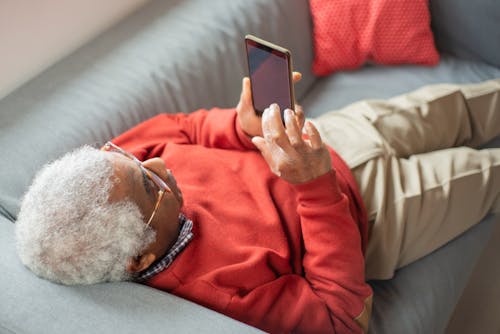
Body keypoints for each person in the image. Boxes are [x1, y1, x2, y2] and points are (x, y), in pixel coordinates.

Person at [15, 73, 500, 334]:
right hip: (379, 211)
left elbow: (183, 127)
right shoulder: (217, 296)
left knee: (462, 104)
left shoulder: (114, 171)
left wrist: (240, 126)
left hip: (326, 137)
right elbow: (339, 317)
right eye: (150, 188)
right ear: (139, 256)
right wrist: (315, 186)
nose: (159, 167)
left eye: (132, 160)